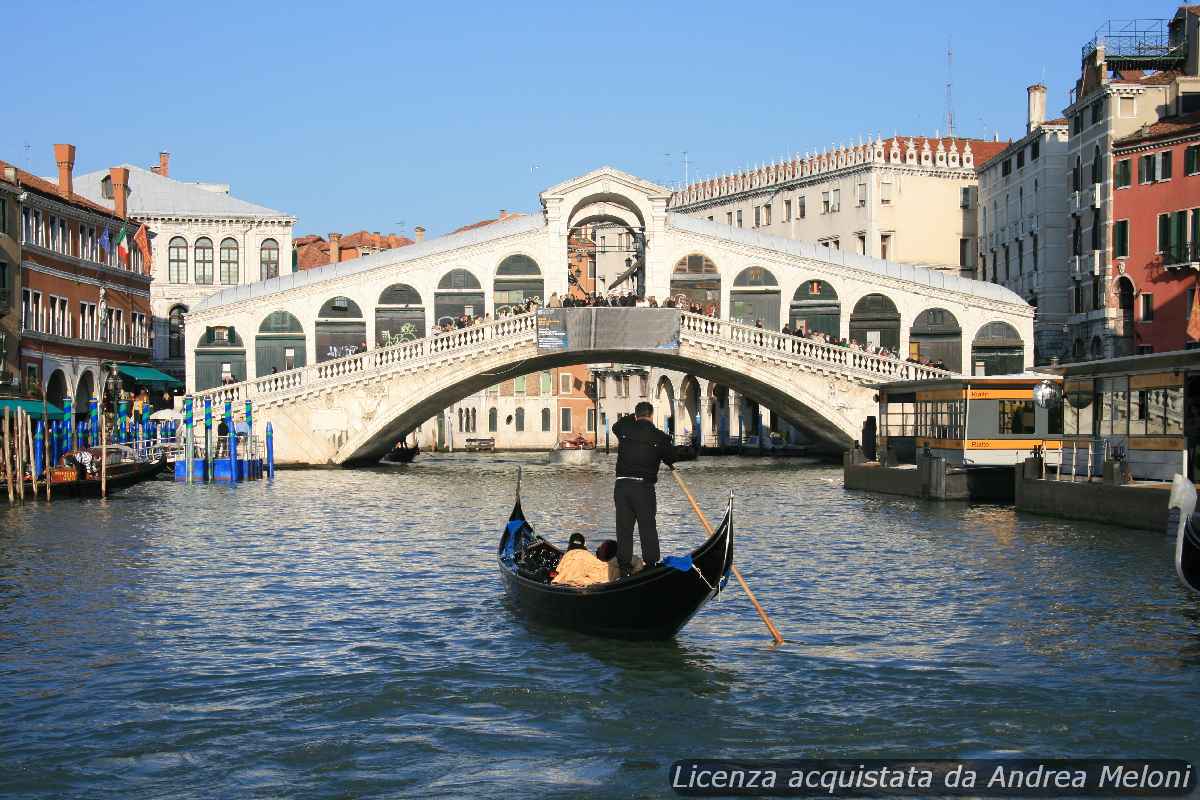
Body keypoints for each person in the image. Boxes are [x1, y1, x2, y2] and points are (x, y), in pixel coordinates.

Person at [612, 401, 676, 578]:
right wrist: (667, 457)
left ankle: (624, 568)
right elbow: (672, 456)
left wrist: (631, 418)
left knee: (624, 529)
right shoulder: (659, 437)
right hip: (643, 488)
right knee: (647, 527)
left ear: (636, 415)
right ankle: (651, 565)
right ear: (652, 415)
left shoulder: (624, 430)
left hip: (622, 486)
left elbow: (616, 425)